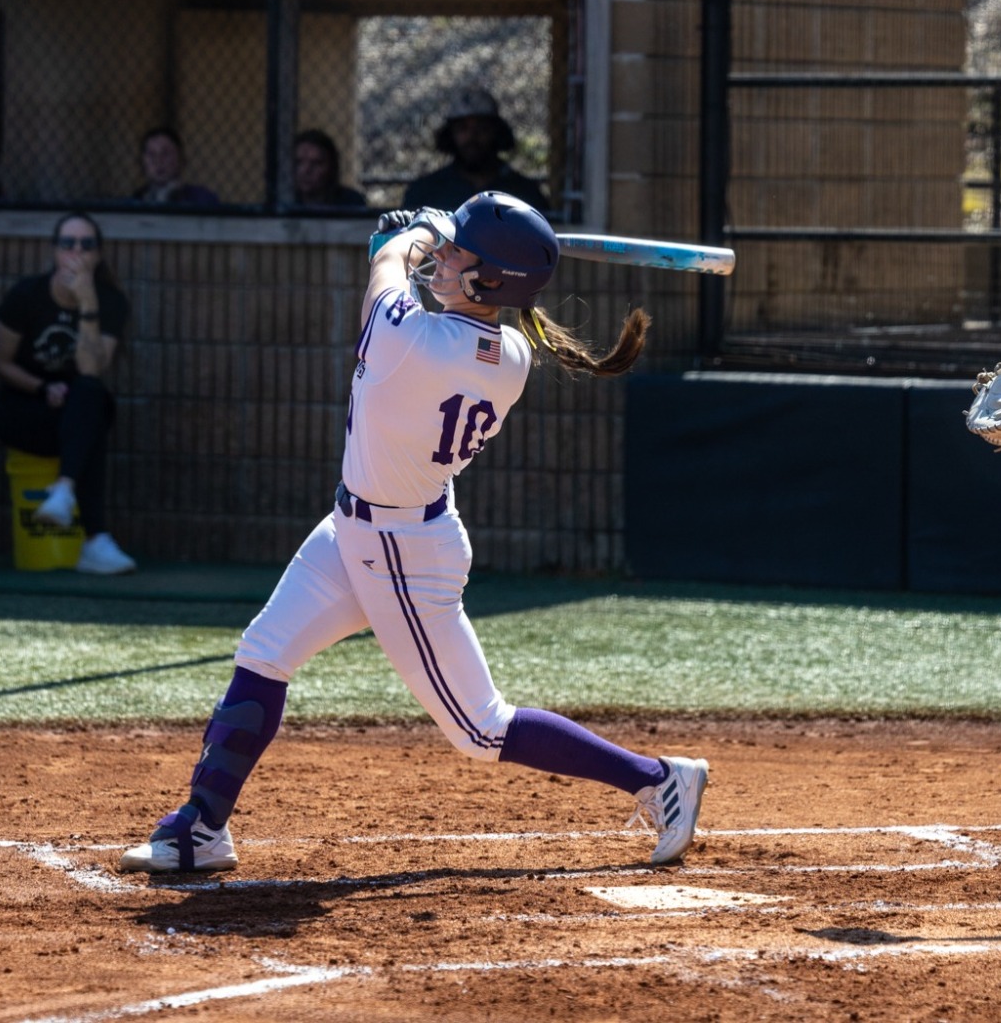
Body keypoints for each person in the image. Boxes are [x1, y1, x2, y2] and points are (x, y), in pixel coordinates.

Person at [119, 191, 708, 875]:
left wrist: (418, 232)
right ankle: (201, 827)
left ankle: (659, 779)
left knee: (481, 729)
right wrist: (440, 241)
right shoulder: (510, 351)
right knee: (264, 651)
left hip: (401, 551)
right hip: (361, 528)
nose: (444, 259)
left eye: (460, 254)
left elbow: (388, 268)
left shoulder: (413, 343)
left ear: (490, 280)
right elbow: (407, 277)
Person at [0, 212, 137, 575]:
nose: (76, 252)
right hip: (25, 409)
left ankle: (65, 492)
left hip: (74, 413)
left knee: (89, 395)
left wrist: (87, 302)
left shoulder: (109, 300)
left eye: (86, 245)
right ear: (54, 250)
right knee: (91, 418)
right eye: (68, 243)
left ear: (98, 254)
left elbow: (91, 368)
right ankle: (95, 538)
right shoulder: (26, 295)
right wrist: (42, 386)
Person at [401, 88, 550, 215]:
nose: (472, 137)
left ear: (497, 132)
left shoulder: (523, 192)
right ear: (450, 134)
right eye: (462, 129)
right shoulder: (425, 192)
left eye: (482, 128)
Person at [130, 127, 218, 206]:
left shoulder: (202, 199)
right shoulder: (135, 202)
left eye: (166, 153)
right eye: (151, 154)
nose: (158, 161)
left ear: (180, 159)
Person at [292, 129, 366, 210]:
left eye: (316, 163)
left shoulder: (351, 202)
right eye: (298, 162)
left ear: (331, 167)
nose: (305, 170)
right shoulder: (284, 200)